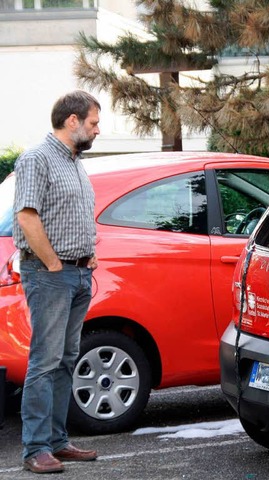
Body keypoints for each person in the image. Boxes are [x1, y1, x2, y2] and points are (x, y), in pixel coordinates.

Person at [13, 91, 101, 474]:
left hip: (79, 273)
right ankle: (36, 448)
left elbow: (72, 213)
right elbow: (27, 216)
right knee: (45, 361)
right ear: (72, 120)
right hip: (50, 274)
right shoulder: (36, 158)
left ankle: (57, 441)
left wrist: (88, 255)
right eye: (94, 123)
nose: (98, 130)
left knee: (66, 360)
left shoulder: (75, 163)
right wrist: (52, 263)